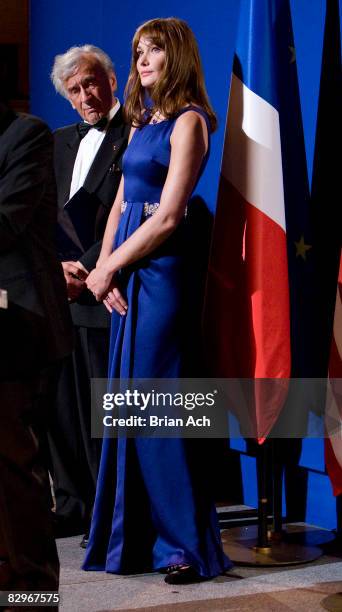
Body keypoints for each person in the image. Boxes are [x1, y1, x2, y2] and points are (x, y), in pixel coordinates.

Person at [83, 18, 231, 584]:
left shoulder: (191, 122)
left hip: (163, 274)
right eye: (139, 51)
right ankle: (131, 539)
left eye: (154, 52)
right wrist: (103, 268)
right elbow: (122, 202)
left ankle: (187, 547)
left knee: (157, 405)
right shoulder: (142, 122)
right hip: (123, 270)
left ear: (178, 57)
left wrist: (112, 266)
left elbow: (168, 216)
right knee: (125, 404)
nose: (142, 60)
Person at [49, 45, 129, 546]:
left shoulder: (137, 133)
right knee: (60, 405)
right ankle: (73, 504)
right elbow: (38, 208)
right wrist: (55, 267)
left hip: (106, 286)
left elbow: (135, 207)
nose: (86, 96)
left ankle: (105, 511)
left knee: (105, 406)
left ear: (111, 79)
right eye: (75, 90)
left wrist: (92, 265)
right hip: (55, 289)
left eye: (92, 83)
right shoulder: (56, 141)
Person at [0, 100, 73, 594]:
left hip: (13, 332)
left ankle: (31, 596)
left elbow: (7, 221)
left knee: (13, 476)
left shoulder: (26, 134)